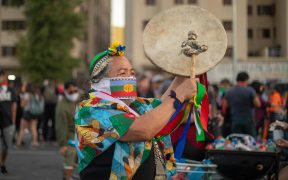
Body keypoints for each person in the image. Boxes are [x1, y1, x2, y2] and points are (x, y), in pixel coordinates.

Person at [74, 42, 198, 180]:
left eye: (132, 73)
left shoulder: (133, 105)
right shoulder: (90, 110)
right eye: (122, 73)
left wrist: (185, 68)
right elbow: (144, 130)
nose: (130, 77)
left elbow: (161, 109)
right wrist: (180, 95)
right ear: (99, 80)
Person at [222, 72, 261, 137]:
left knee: (237, 141)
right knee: (250, 142)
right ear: (246, 80)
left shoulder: (229, 91)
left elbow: (224, 107)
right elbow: (258, 104)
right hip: (249, 121)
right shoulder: (250, 91)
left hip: (235, 121)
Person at [55, 80, 79, 180]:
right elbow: (61, 126)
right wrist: (62, 144)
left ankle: (69, 174)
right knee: (70, 155)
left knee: (77, 157)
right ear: (65, 91)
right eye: (70, 92)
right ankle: (67, 177)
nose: (73, 94)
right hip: (70, 135)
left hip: (81, 133)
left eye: (75, 91)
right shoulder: (62, 106)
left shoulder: (80, 99)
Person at [0, 68, 17, 175]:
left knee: (6, 147)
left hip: (7, 122)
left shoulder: (10, 91)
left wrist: (13, 122)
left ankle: (2, 164)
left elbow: (14, 106)